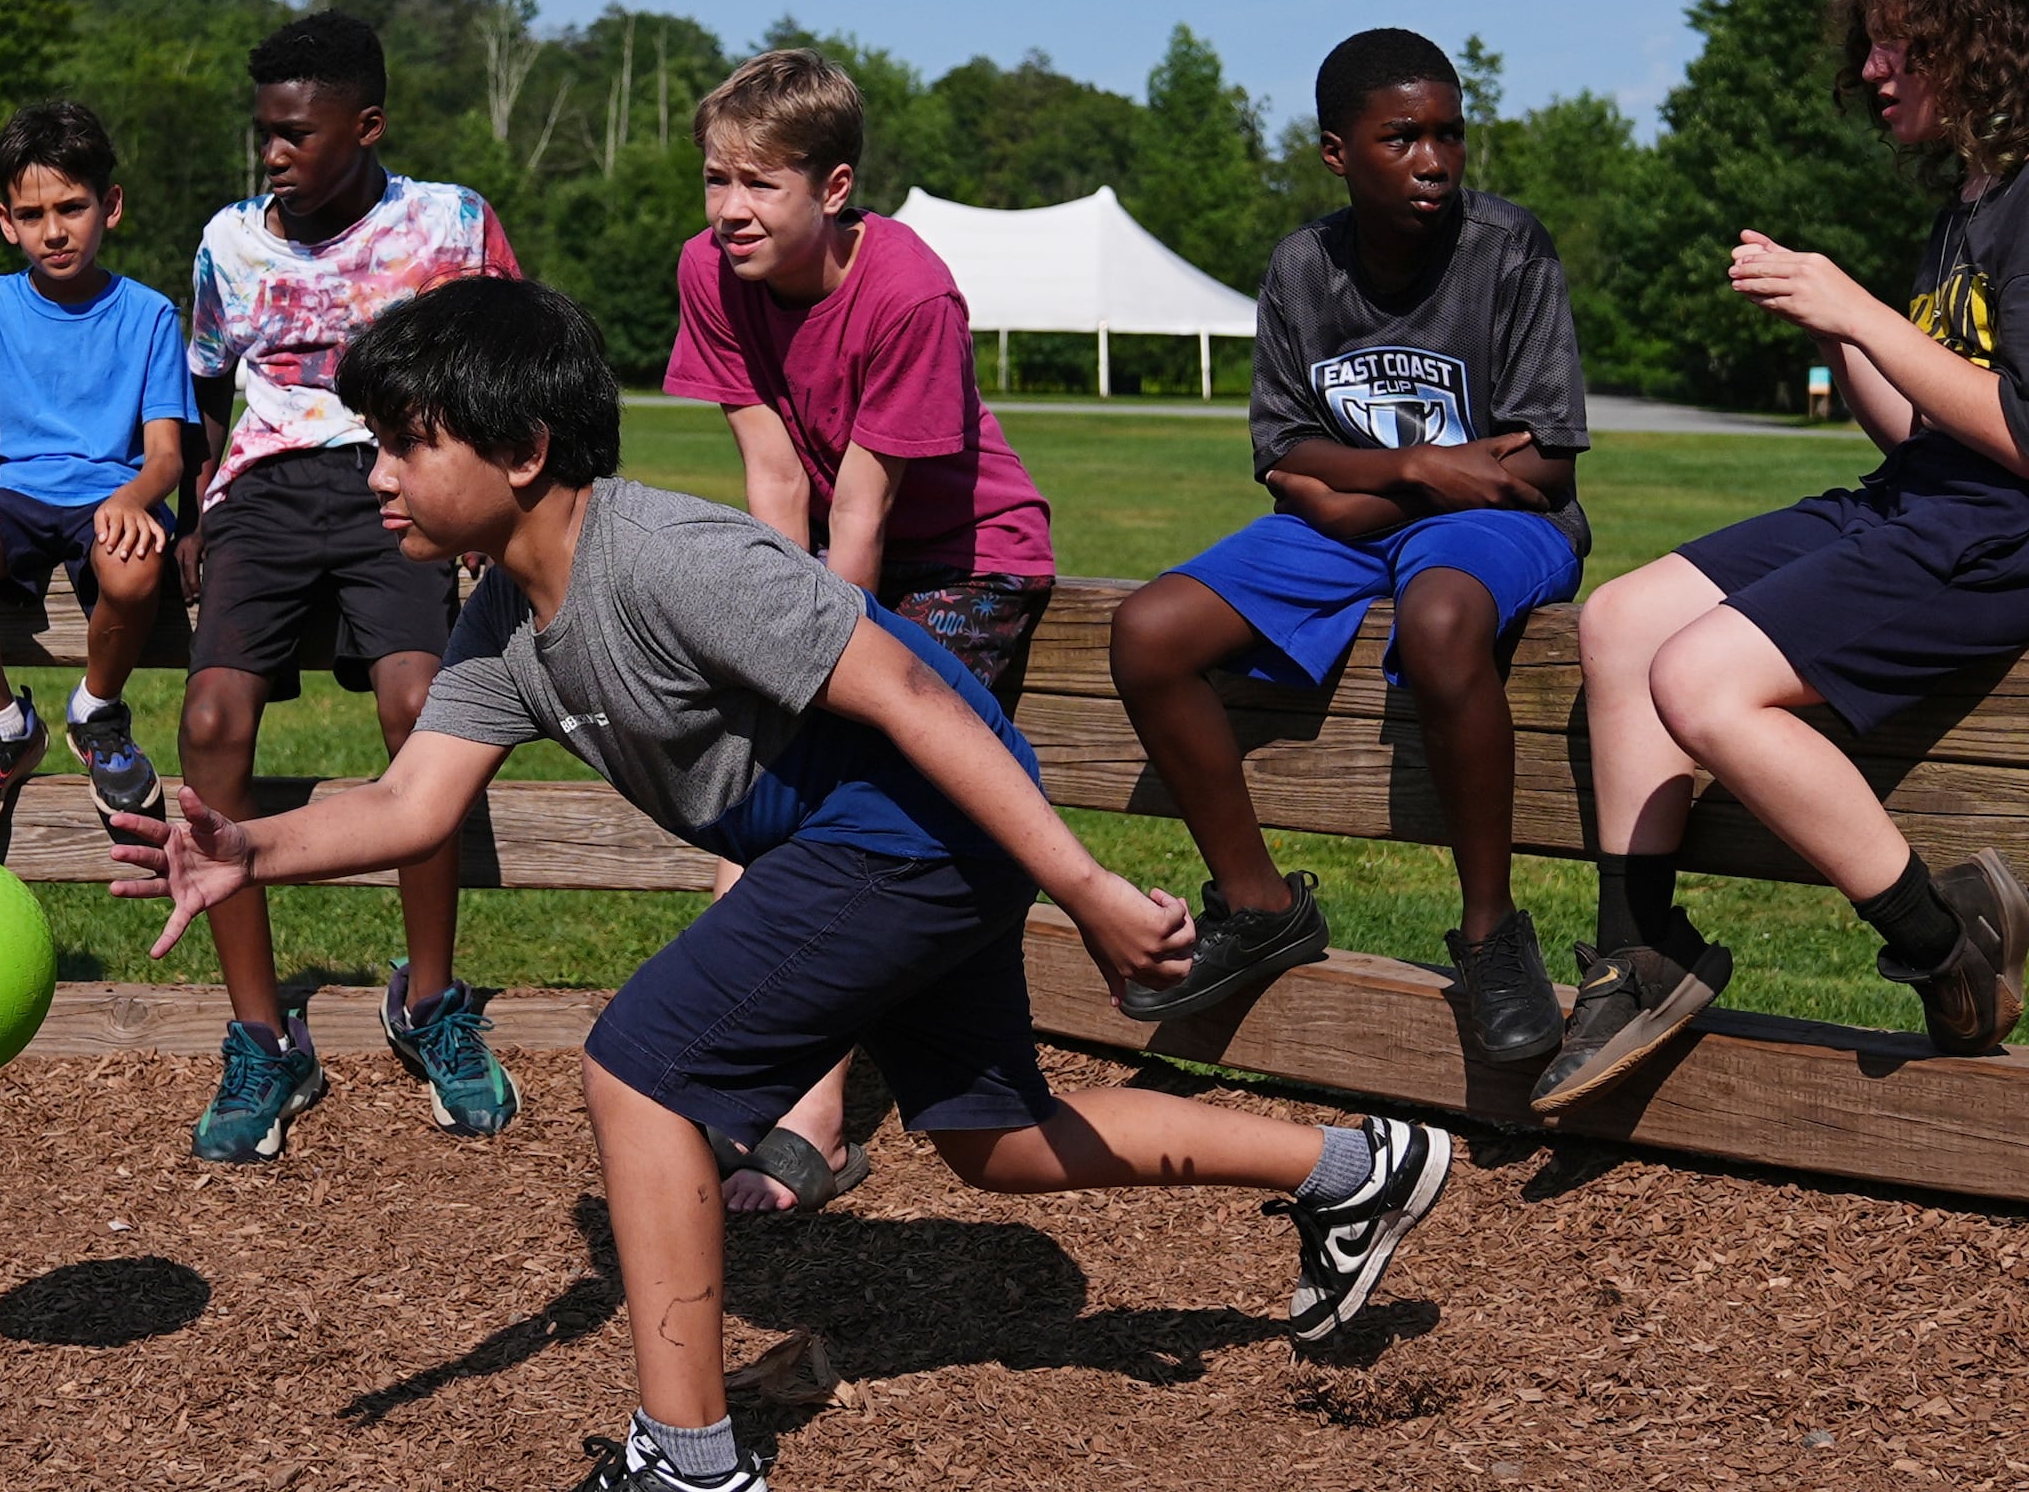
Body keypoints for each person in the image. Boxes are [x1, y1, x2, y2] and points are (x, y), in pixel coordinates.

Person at [114, 276, 1455, 1492]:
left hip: (914, 826)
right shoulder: (499, 623)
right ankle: (1353, 1166)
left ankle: (689, 1461)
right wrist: (251, 845)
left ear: (521, 454)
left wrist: (1084, 886)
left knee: (640, 1064)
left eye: (407, 442)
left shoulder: (680, 564)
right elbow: (414, 803)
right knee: (992, 1139)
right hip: (898, 845)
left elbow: (925, 694)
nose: (376, 473)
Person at [1544, 0, 2029, 1111]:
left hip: (1997, 537)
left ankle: (1945, 949)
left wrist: (1860, 311)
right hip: (1916, 498)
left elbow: (2023, 434)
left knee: (1699, 683)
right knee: (1619, 623)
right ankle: (1641, 948)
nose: (1869, 71)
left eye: (1895, 43)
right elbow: (1924, 426)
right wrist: (1841, 329)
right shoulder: (1966, 206)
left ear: (1978, 38)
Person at [1105, 29, 1586, 1069]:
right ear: (1337, 151)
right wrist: (1418, 471)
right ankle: (1260, 904)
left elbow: (1543, 465)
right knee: (1148, 632)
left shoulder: (1509, 249)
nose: (1433, 160)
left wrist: (1368, 486)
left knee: (1443, 616)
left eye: (1450, 134)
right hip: (1360, 523)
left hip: (1498, 526)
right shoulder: (1302, 267)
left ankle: (1491, 937)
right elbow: (1283, 453)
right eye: (1402, 136)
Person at [663, 44, 1059, 1215]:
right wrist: (768, 643)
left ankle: (813, 1120)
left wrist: (813, 673)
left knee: (838, 786)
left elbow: (868, 510)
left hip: (969, 560)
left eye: (759, 184)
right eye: (715, 179)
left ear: (834, 189)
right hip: (833, 545)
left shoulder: (909, 290)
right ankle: (756, 1074)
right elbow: (777, 479)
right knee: (774, 775)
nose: (729, 210)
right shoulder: (709, 271)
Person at [178, 10, 519, 1159]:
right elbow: (208, 390)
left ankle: (429, 1002)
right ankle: (262, 1037)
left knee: (421, 705)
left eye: (297, 133)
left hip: (400, 481)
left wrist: (490, 515)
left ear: (366, 127)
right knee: (212, 719)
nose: (272, 153)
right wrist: (186, 512)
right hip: (267, 493)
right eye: (263, 132)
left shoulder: (449, 224)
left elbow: (510, 359)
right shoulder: (229, 239)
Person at [0, 100, 187, 844]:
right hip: (11, 499)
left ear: (111, 206)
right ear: (7, 221)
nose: (55, 230)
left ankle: (96, 712)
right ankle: (4, 724)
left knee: (132, 572)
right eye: (33, 214)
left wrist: (134, 498)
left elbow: (166, 451)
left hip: (110, 498)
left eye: (73, 206)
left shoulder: (151, 314)